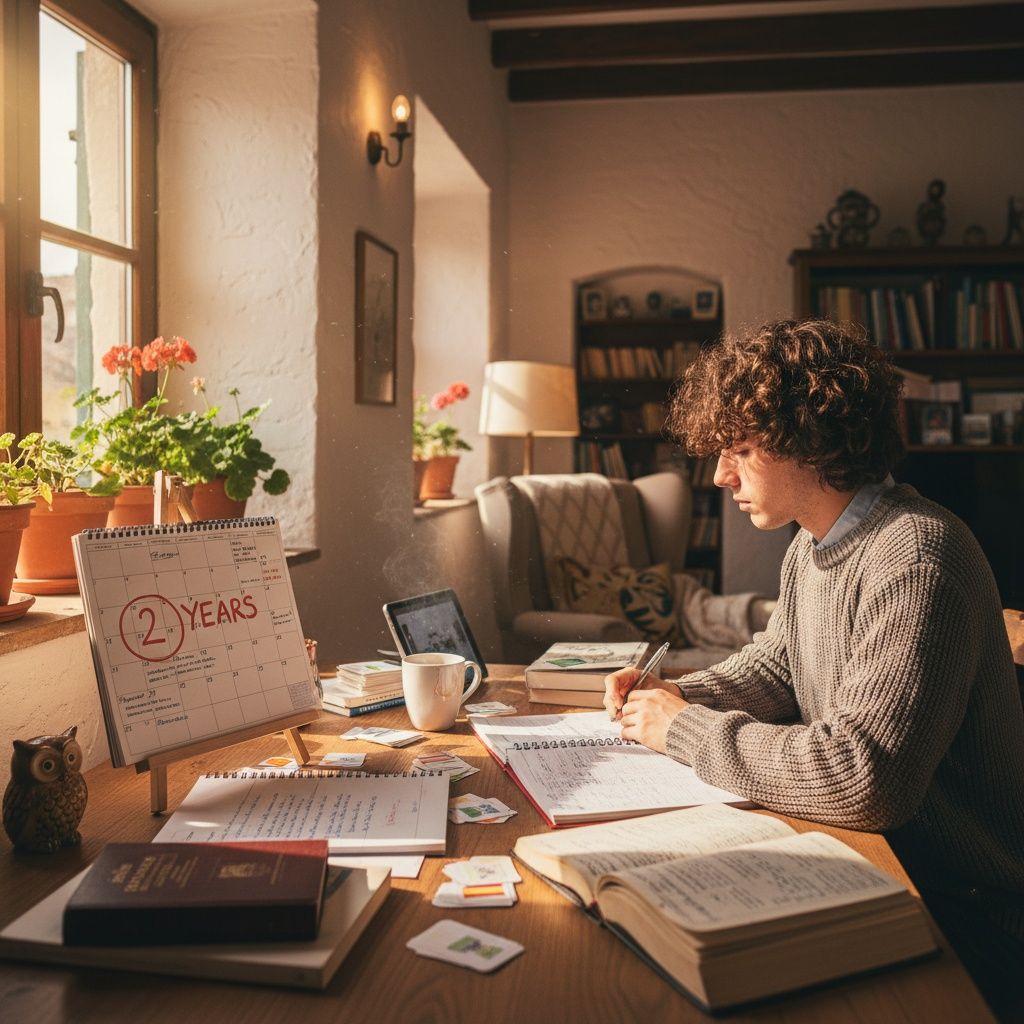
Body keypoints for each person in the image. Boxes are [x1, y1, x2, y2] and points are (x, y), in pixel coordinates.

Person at [603, 319, 1024, 1021]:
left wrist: (683, 729)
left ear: (813, 439)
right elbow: (780, 668)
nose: (721, 475)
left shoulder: (917, 557)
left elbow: (866, 778)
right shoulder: (814, 543)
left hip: (968, 916)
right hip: (881, 872)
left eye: (740, 450)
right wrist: (675, 692)